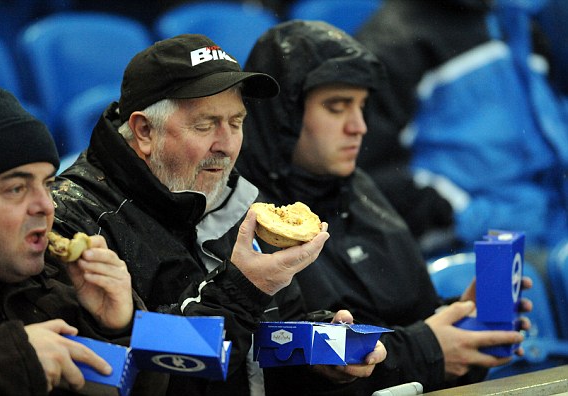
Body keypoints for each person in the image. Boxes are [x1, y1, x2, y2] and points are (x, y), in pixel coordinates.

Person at [50, 34, 385, 395]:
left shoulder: (236, 197)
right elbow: (148, 375)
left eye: (236, 123)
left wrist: (319, 357)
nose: (226, 146)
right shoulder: (73, 224)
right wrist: (245, 290)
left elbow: (257, 346)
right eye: (205, 125)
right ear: (144, 131)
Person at [237, 20, 530, 395]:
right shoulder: (246, 214)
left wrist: (460, 321)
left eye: (361, 107)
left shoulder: (358, 186)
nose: (358, 126)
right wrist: (431, 348)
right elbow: (290, 365)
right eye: (336, 107)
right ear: (283, 115)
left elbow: (408, 319)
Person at [0, 80, 136, 394]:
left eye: (48, 184)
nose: (46, 205)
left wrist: (117, 329)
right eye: (16, 188)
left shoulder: (63, 277)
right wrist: (8, 363)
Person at [354, 0, 568, 262]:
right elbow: (368, 171)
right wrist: (461, 216)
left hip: (553, 225)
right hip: (474, 245)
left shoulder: (515, 22)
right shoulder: (392, 44)